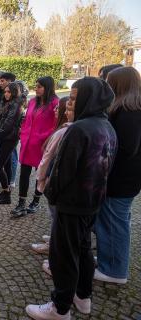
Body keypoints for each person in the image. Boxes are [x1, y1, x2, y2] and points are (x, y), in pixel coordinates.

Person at [26, 77, 117, 320]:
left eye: (75, 98)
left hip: (72, 203)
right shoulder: (106, 126)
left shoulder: (79, 129)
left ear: (88, 98)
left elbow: (62, 170)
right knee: (84, 249)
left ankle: (60, 308)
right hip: (92, 202)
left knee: (64, 255)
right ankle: (83, 296)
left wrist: (50, 193)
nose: (71, 102)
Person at [94, 66, 141, 285]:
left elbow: (124, 148)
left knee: (114, 223)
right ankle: (108, 261)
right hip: (126, 179)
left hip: (120, 179)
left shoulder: (128, 112)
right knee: (114, 221)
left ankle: (114, 270)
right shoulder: (132, 109)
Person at [12, 76, 59, 218]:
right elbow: (26, 120)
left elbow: (56, 124)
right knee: (24, 173)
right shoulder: (32, 101)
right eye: (36, 86)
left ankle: (36, 200)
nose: (36, 89)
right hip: (28, 143)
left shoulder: (55, 103)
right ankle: (21, 202)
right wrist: (24, 133)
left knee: (41, 174)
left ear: (47, 87)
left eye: (39, 86)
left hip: (42, 145)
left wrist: (46, 139)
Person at [30, 97, 71, 256]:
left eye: (58, 108)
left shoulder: (63, 131)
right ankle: (54, 237)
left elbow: (48, 158)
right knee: (54, 215)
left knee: (56, 215)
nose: (55, 110)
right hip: (50, 178)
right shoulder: (60, 128)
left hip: (51, 179)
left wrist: (41, 177)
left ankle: (55, 245)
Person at [0, 82, 22, 205]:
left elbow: (8, 124)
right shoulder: (5, 102)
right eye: (6, 91)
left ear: (14, 92)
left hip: (10, 138)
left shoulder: (16, 104)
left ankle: (6, 192)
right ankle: (6, 193)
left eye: (9, 91)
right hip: (4, 137)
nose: (6, 93)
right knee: (7, 165)